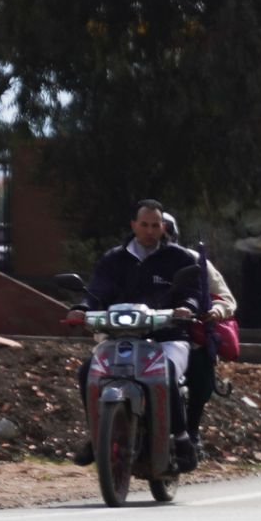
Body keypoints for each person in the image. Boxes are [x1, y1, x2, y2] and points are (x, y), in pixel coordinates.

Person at [68, 200, 206, 472]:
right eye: (144, 224)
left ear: (163, 227)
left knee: (164, 371)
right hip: (120, 337)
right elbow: (97, 290)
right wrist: (83, 309)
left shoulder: (180, 258)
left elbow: (194, 293)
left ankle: (181, 440)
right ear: (133, 225)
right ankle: (98, 436)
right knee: (87, 372)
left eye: (156, 225)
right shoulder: (114, 259)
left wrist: (186, 308)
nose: (150, 231)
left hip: (167, 337)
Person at [160, 210, 237, 456]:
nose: (154, 237)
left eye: (162, 232)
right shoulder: (129, 259)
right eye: (147, 229)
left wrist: (215, 310)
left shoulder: (193, 260)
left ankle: (191, 431)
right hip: (140, 331)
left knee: (200, 367)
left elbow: (226, 298)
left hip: (183, 333)